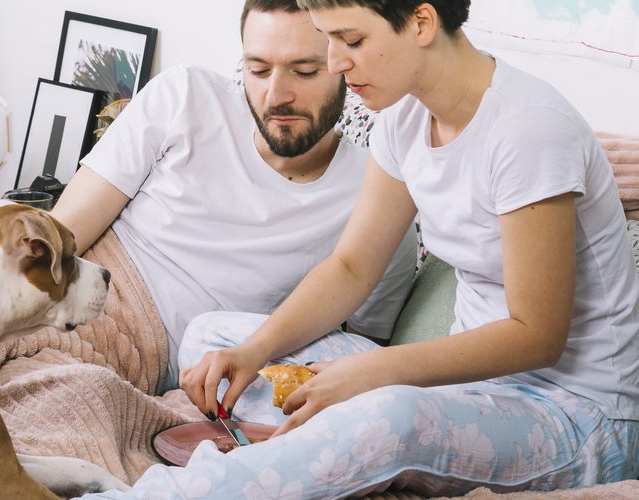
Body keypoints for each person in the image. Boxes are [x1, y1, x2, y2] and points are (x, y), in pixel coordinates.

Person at [84, 1, 639, 498]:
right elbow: (352, 268)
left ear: (421, 22)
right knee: (215, 339)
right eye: (330, 40)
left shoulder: (528, 131)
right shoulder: (403, 117)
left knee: (391, 413)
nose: (334, 62)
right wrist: (253, 353)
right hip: (465, 389)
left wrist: (376, 373)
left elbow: (536, 334)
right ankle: (308, 446)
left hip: (574, 418)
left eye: (351, 41)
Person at [51, 0, 417, 393]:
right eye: (257, 70)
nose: (276, 96)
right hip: (80, 288)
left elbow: (364, 356)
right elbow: (61, 235)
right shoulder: (186, 95)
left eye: (305, 71)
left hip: (170, 367)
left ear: (346, 68)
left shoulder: (378, 196)